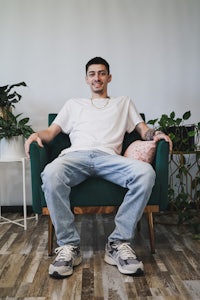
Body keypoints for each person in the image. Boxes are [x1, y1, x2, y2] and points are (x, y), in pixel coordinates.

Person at [25, 57, 172, 279]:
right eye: (92, 74)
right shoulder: (73, 104)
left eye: (102, 73)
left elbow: (143, 130)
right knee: (51, 173)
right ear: (86, 79)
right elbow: (51, 133)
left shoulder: (123, 103)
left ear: (109, 77)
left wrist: (156, 134)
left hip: (110, 158)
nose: (97, 78)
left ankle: (118, 243)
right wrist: (36, 135)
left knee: (145, 173)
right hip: (76, 156)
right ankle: (69, 247)